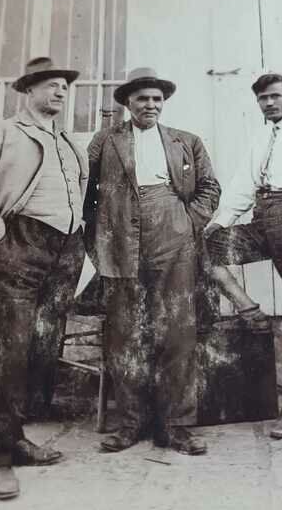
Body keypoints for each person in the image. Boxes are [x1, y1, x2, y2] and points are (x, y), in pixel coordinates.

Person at [0, 56, 88, 500]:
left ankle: (17, 438)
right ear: (28, 90)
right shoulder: (2, 131)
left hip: (66, 250)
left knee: (40, 348)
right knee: (8, 351)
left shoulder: (68, 140)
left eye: (64, 87)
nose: (59, 92)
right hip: (19, 246)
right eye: (50, 85)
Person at [84, 67, 220, 455]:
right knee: (125, 332)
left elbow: (210, 187)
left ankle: (176, 425)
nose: (150, 105)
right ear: (128, 102)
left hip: (172, 235)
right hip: (120, 238)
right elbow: (87, 193)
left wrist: (187, 223)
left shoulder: (186, 141)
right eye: (143, 98)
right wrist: (99, 242)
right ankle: (130, 423)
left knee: (177, 329)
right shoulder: (106, 140)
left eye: (157, 99)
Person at [203, 72, 282, 440]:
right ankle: (250, 311)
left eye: (276, 96)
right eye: (263, 99)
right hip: (264, 217)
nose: (270, 103)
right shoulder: (262, 136)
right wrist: (219, 222)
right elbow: (244, 183)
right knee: (204, 249)